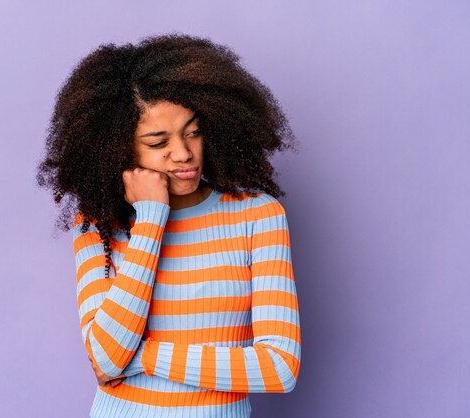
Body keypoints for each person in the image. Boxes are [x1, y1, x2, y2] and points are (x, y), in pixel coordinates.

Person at [37, 33, 301, 418]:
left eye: (193, 131)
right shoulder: (97, 226)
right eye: (159, 143)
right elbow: (107, 358)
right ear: (119, 148)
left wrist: (145, 356)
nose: (183, 153)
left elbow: (279, 368)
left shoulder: (258, 215)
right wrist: (152, 218)